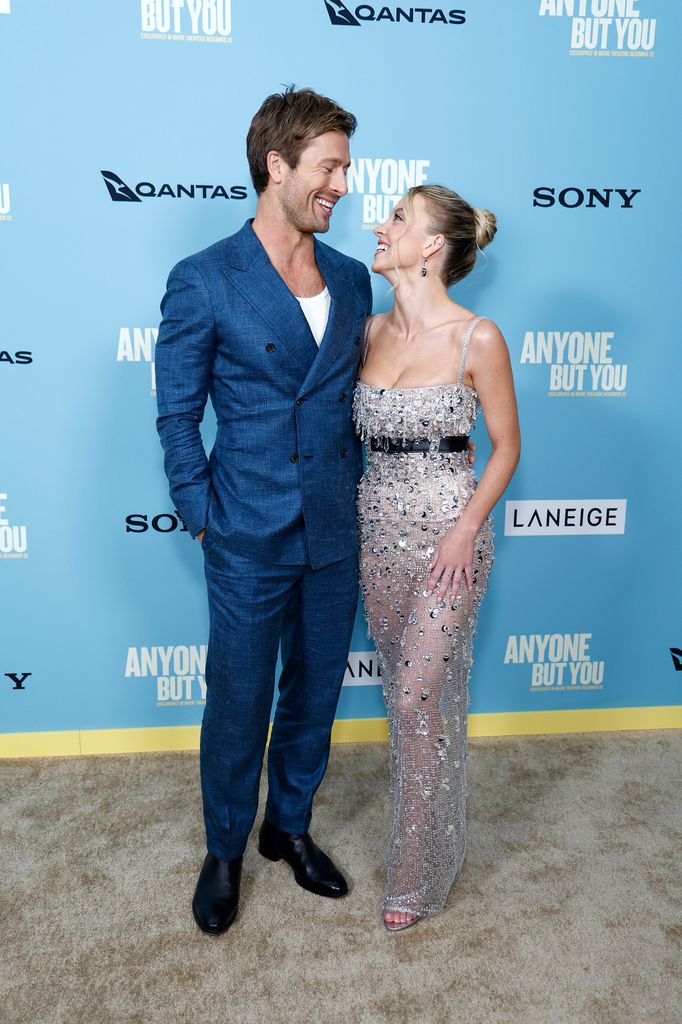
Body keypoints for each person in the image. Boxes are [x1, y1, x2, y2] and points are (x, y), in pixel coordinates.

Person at [155, 87, 373, 935]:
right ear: (277, 166)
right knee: (239, 701)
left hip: (335, 527)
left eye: (346, 169)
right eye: (329, 168)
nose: (342, 186)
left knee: (315, 692)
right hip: (245, 528)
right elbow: (178, 415)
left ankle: (288, 827)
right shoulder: (205, 277)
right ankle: (224, 849)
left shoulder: (351, 278)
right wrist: (203, 513)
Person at [353, 185, 520, 930]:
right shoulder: (367, 332)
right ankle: (434, 843)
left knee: (418, 694)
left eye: (396, 217)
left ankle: (413, 873)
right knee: (409, 703)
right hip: (376, 532)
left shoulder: (476, 337)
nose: (379, 225)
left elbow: (506, 447)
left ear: (430, 246)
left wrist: (465, 529)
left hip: (451, 539)